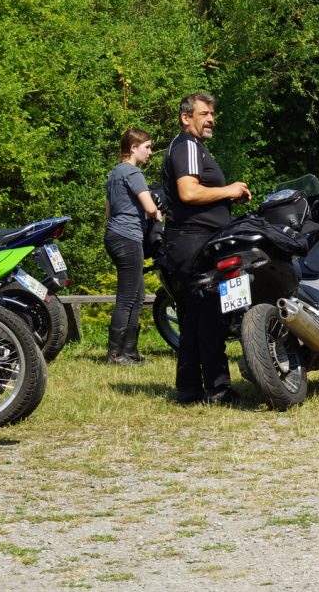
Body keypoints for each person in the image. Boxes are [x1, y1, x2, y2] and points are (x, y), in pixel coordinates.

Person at [161, 93, 250, 404]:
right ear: (187, 118)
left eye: (213, 113)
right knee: (212, 312)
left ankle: (188, 389)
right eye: (204, 113)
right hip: (193, 241)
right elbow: (187, 192)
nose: (211, 118)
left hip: (191, 240)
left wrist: (226, 198)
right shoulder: (186, 145)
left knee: (195, 317)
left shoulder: (192, 147)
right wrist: (229, 189)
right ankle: (218, 388)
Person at [104, 128, 163, 365]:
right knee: (128, 298)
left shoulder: (114, 173)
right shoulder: (133, 173)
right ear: (133, 148)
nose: (150, 152)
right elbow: (150, 208)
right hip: (128, 237)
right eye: (147, 147)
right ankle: (115, 354)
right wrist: (158, 214)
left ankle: (130, 352)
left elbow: (108, 211)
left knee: (137, 296)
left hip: (115, 235)